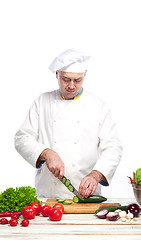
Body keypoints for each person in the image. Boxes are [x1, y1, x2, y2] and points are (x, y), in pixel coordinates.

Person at [14, 48, 123, 199]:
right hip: (48, 194)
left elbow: (113, 147)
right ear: (57, 74)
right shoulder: (42, 102)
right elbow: (22, 138)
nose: (71, 85)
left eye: (77, 80)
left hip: (86, 194)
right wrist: (47, 153)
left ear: (85, 75)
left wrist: (96, 174)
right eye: (66, 79)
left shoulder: (99, 106)